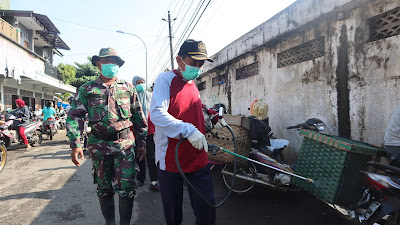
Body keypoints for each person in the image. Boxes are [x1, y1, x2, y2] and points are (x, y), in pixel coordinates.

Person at [66, 47, 147, 225]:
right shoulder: (87, 89)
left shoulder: (128, 88)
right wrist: (76, 144)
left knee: (127, 188)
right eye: (107, 61)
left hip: (125, 145)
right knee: (104, 188)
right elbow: (74, 116)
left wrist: (142, 143)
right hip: (99, 146)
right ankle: (109, 222)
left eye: (115, 62)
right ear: (98, 64)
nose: (112, 65)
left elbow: (138, 117)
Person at [150, 39, 226, 225]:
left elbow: (193, 110)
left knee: (207, 208)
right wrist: (188, 129)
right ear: (179, 60)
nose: (198, 68)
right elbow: (157, 114)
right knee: (174, 212)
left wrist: (211, 118)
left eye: (201, 64)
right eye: (194, 63)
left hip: (197, 157)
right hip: (171, 160)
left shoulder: (193, 84)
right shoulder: (166, 80)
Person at [132, 75, 159, 190]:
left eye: (143, 82)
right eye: (138, 83)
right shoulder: (131, 98)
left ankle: (154, 181)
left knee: (151, 156)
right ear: (134, 85)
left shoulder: (151, 97)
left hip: (149, 132)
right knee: (139, 156)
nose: (141, 85)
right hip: (137, 133)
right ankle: (140, 179)